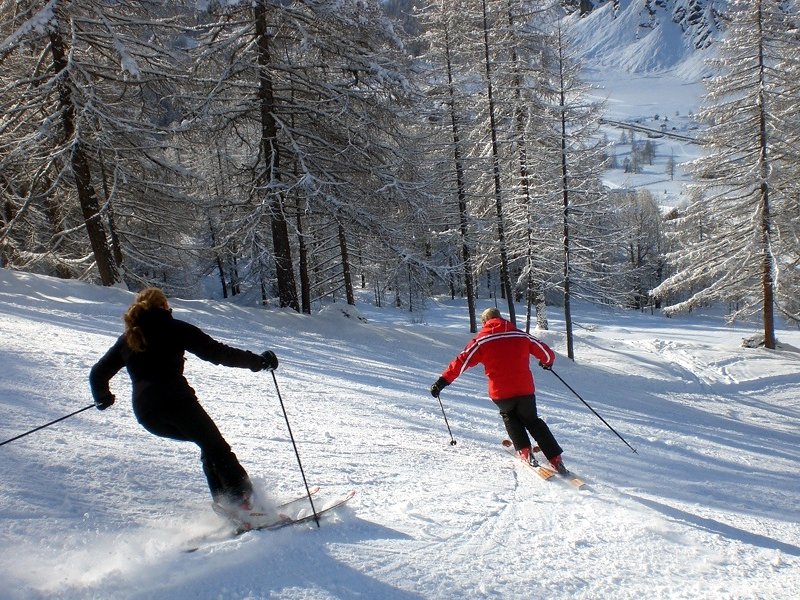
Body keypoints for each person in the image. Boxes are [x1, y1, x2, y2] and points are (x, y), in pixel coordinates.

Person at [89, 287, 279, 519]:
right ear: (163, 306)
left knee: (208, 446)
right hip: (177, 404)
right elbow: (218, 353)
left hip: (148, 415)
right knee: (218, 449)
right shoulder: (174, 328)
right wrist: (258, 362)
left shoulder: (128, 339)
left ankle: (228, 504)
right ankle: (246, 505)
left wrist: (102, 397)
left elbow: (98, 373)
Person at [430, 307, 569, 474]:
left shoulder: (481, 341)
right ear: (501, 317)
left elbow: (461, 361)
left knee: (510, 416)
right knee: (533, 420)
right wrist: (546, 362)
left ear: (484, 322)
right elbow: (546, 353)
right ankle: (555, 458)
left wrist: (442, 381)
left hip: (501, 392)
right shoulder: (520, 335)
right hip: (524, 389)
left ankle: (525, 452)